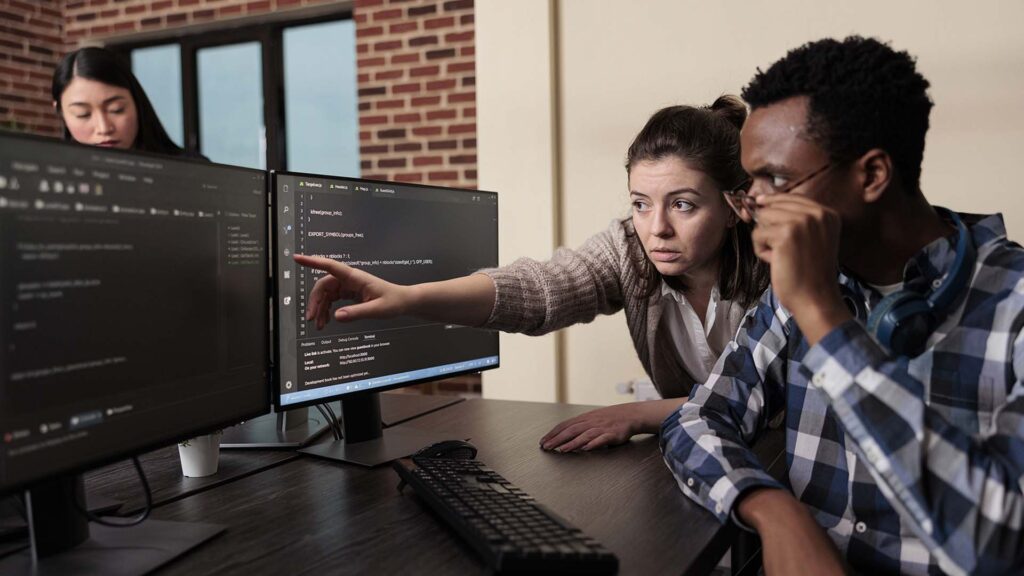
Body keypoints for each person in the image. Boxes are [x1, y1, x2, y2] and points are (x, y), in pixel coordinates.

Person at [661, 36, 1024, 575]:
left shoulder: (1013, 302)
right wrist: (775, 511)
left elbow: (997, 543)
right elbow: (699, 418)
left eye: (777, 181)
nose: (752, 208)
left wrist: (824, 317)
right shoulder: (796, 288)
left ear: (872, 175)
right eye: (749, 185)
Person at [295, 97, 769, 453]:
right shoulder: (630, 247)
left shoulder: (777, 265)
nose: (657, 228)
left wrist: (643, 414)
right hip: (709, 456)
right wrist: (408, 297)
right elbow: (541, 291)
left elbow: (767, 398)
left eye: (682, 204)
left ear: (734, 206)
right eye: (641, 204)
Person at [51, 46, 188, 156]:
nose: (104, 128)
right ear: (61, 112)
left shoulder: (192, 171)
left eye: (116, 109)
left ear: (137, 102)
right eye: (83, 114)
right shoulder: (47, 174)